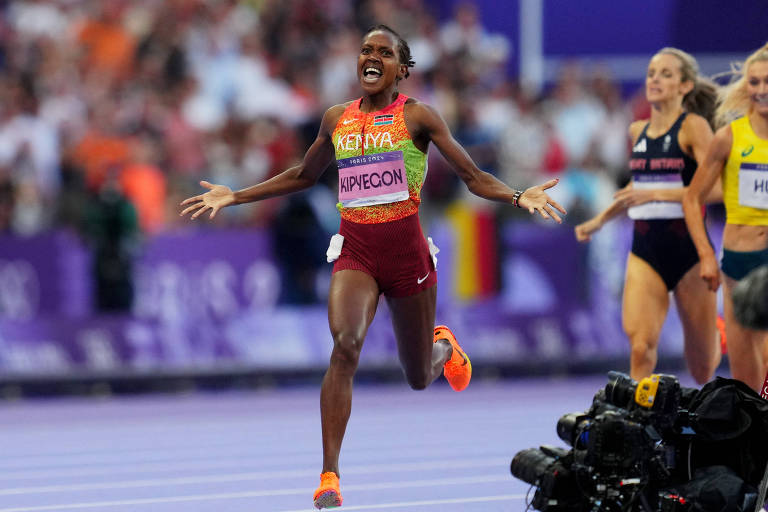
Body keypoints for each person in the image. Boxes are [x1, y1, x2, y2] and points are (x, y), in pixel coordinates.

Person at [179, 25, 565, 509]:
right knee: (345, 346)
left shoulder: (419, 116)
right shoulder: (336, 118)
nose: (372, 56)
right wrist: (236, 195)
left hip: (408, 260)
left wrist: (515, 194)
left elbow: (471, 176)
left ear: (402, 69)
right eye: (366, 49)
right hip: (356, 251)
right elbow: (304, 174)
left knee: (418, 376)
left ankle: (443, 348)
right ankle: (329, 476)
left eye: (384, 52)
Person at [574, 48, 722, 385]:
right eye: (652, 73)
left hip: (690, 253)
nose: (654, 80)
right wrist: (599, 220)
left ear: (685, 86)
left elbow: (718, 190)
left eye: (666, 74)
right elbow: (636, 187)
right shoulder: (636, 131)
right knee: (640, 347)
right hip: (645, 249)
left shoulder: (695, 128)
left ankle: (716, 331)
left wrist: (656, 192)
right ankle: (637, 427)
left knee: (702, 368)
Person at [682, 43, 768, 392]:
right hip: (736, 263)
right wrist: (705, 254)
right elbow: (692, 197)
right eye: (754, 82)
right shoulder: (729, 138)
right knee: (745, 379)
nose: (761, 90)